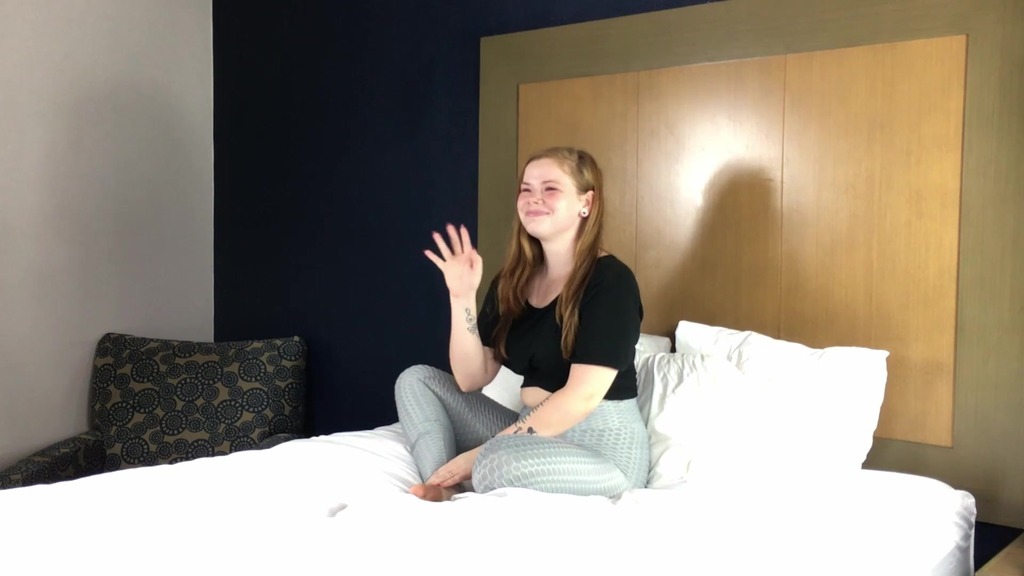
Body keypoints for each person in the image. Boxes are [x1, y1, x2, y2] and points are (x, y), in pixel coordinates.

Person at [395, 146, 649, 502]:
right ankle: (443, 484)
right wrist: (461, 296)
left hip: (601, 451)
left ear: (586, 203)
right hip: (530, 432)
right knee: (417, 380)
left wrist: (480, 454)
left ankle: (468, 473)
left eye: (550, 189)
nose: (533, 198)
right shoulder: (512, 282)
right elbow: (470, 378)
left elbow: (582, 397)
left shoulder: (611, 281)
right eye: (526, 189)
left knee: (494, 463)